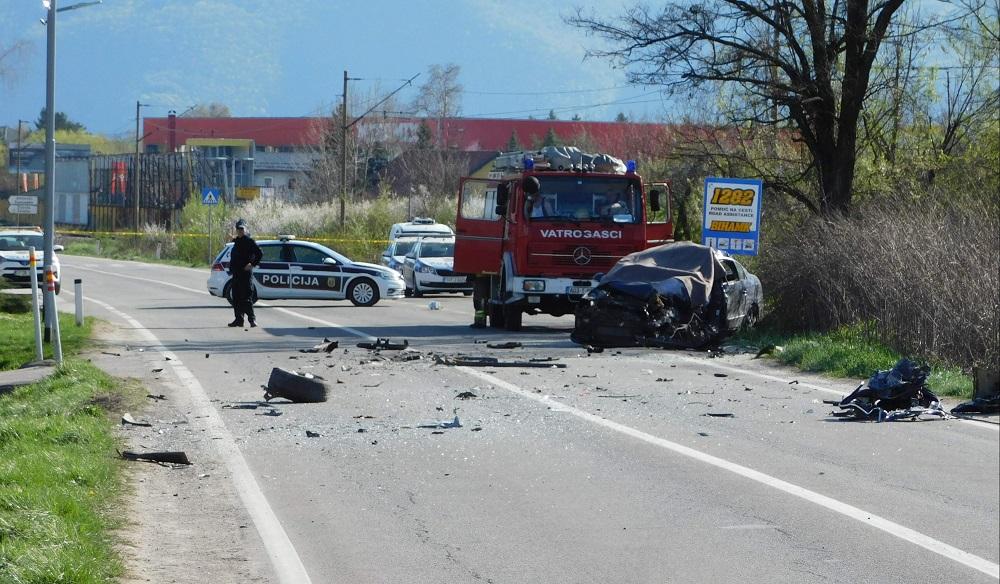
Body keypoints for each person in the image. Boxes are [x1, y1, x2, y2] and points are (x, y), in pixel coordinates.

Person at [228, 219, 262, 328]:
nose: (240, 231)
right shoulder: (237, 241)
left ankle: (252, 320)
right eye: (238, 229)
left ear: (245, 229)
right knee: (236, 298)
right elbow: (237, 245)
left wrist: (252, 264)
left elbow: (259, 253)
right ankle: (239, 320)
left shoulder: (249, 241)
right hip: (236, 274)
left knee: (246, 298)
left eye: (242, 229)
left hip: (245, 274)